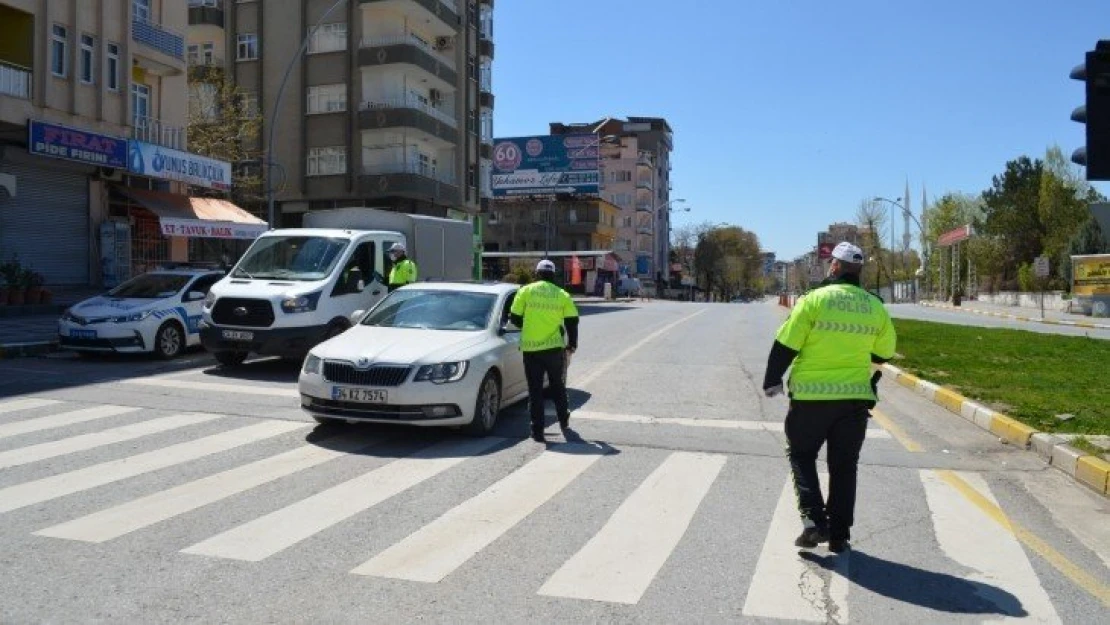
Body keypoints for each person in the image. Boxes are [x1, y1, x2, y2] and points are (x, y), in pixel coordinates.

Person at [762, 242, 896, 554]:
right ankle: (839, 535)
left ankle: (813, 520)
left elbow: (786, 344)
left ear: (834, 266)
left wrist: (772, 380)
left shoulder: (814, 300)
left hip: (810, 398)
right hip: (854, 401)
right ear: (859, 271)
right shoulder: (875, 306)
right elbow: (884, 353)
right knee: (845, 466)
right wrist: (866, 372)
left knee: (801, 455)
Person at [510, 259, 580, 443]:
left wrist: (529, 325)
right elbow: (572, 321)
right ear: (553, 274)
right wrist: (572, 343)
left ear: (537, 273)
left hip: (531, 350)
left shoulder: (525, 291)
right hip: (554, 349)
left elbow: (515, 318)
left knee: (535, 391)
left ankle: (537, 431)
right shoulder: (562, 294)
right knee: (557, 386)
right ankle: (563, 419)